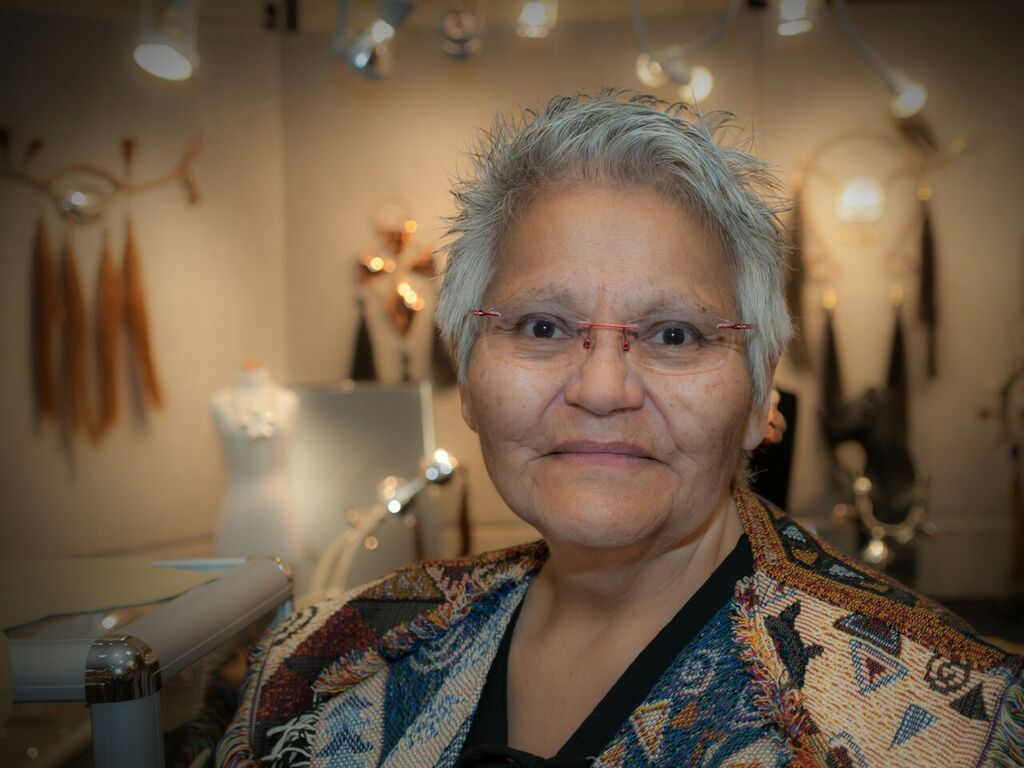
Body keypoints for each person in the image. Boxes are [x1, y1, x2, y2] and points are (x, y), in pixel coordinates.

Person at [215, 93, 1023, 767]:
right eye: (540, 326)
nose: (602, 388)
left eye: (674, 334)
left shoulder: (952, 722)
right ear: (466, 373)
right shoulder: (325, 664)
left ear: (757, 393)